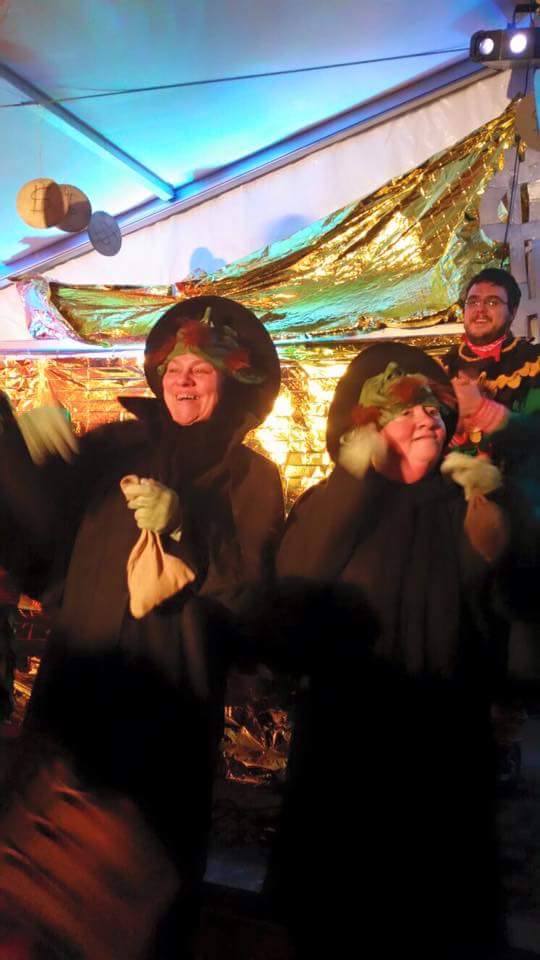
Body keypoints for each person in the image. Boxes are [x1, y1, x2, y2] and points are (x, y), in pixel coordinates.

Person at [0, 295, 284, 958]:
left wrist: (187, 529)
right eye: (174, 367)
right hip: (77, 697)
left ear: (232, 381)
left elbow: (249, 604)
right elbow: (41, 555)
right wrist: (20, 451)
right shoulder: (110, 449)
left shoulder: (251, 477)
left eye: (202, 369)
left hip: (166, 714)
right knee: (42, 889)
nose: (184, 380)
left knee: (141, 901)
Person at [274, 341, 527, 959]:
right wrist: (352, 483)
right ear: (368, 427)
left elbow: (504, 631)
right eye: (406, 409)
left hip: (444, 767)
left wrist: (498, 548)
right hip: (348, 765)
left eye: (435, 409)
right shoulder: (332, 501)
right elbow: (291, 600)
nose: (427, 419)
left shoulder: (466, 505)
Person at [442, 267, 540, 786]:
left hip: (517, 514)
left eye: (492, 301)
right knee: (457, 620)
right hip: (451, 513)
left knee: (506, 623)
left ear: (512, 311)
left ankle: (504, 739)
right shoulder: (441, 367)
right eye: (472, 300)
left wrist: (486, 413)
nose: (480, 308)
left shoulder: (534, 365)